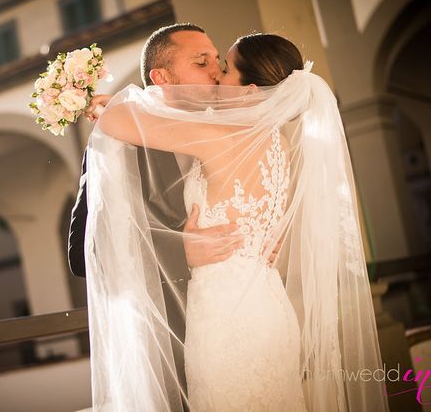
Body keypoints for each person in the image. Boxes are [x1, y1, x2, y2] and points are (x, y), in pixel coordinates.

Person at [83, 32, 389, 411]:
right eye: (207, 63)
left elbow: (115, 120)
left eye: (224, 68)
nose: (215, 75)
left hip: (227, 322)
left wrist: (108, 102)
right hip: (269, 308)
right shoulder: (278, 145)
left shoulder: (219, 136)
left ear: (249, 91)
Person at [68, 23, 257, 408]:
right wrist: (179, 252)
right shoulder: (116, 145)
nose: (216, 71)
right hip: (168, 339)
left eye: (218, 61)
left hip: (241, 326)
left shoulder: (233, 133)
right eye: (201, 62)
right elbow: (81, 255)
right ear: (161, 78)